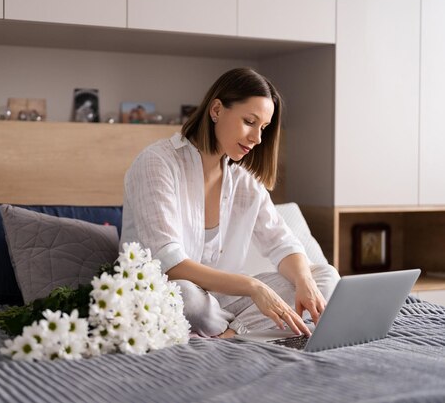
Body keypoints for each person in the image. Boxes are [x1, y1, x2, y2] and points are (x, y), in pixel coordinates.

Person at [120, 67, 340, 338]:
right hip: (168, 294)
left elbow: (283, 244)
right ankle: (242, 330)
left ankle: (230, 335)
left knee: (325, 277)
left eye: (263, 128)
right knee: (186, 295)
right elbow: (170, 263)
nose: (257, 138)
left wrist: (305, 281)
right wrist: (254, 288)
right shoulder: (157, 163)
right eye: (249, 121)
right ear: (216, 110)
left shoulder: (243, 180)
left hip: (222, 301)